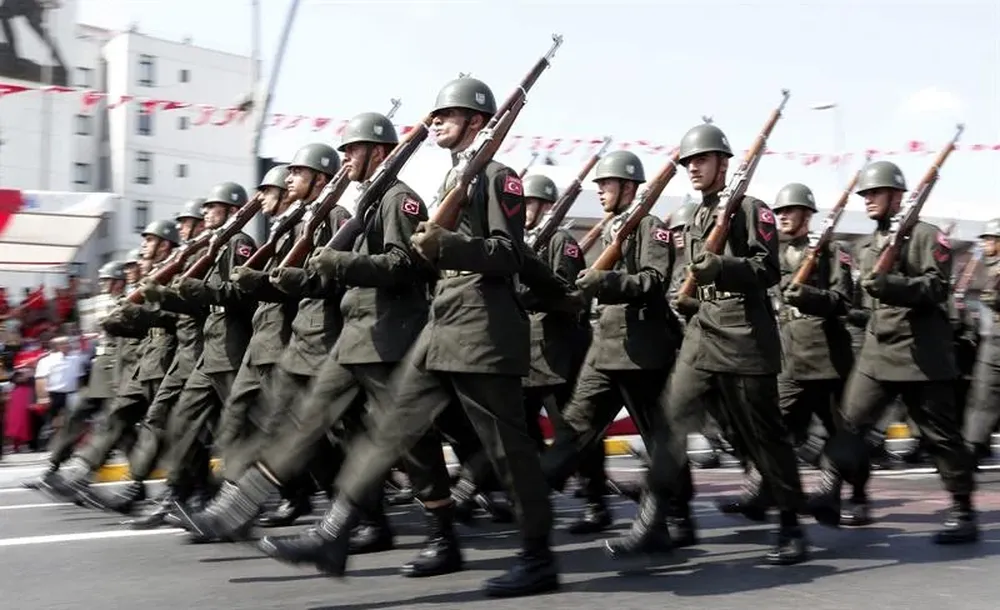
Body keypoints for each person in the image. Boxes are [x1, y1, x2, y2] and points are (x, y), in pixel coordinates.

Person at [256, 77, 560, 599]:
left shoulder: (498, 177)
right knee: (389, 428)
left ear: (478, 121)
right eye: (436, 114)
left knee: (509, 452)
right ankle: (333, 535)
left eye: (449, 114)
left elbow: (509, 254)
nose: (436, 121)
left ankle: (538, 559)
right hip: (442, 325)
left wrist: (449, 246)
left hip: (484, 330)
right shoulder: (454, 178)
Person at [631, 123, 808, 565]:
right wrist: (686, 295)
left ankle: (791, 524)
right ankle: (653, 519)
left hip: (745, 334)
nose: (693, 168)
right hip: (702, 332)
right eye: (688, 162)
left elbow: (767, 270)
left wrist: (721, 268)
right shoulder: (694, 216)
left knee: (765, 434)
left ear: (723, 164)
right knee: (670, 420)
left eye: (701, 160)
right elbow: (692, 272)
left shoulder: (751, 209)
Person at [805, 160, 978, 545]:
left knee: (940, 436)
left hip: (921, 356)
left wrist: (892, 285)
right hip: (878, 351)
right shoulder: (866, 246)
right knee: (849, 424)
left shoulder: (927, 236)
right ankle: (833, 490)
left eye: (875, 193)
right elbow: (865, 301)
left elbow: (937, 288)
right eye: (865, 194)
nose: (868, 199)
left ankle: (963, 509)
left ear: (897, 196)